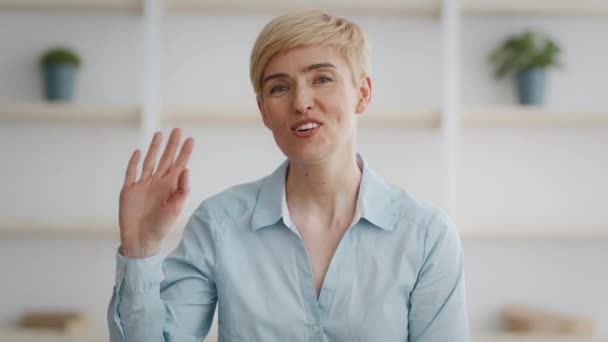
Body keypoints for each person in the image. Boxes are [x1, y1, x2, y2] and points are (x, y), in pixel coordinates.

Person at [107, 10, 469, 342]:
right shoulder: (219, 224)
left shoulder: (426, 237)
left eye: (322, 79)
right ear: (264, 111)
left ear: (362, 93)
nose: (301, 102)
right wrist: (140, 248)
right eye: (279, 87)